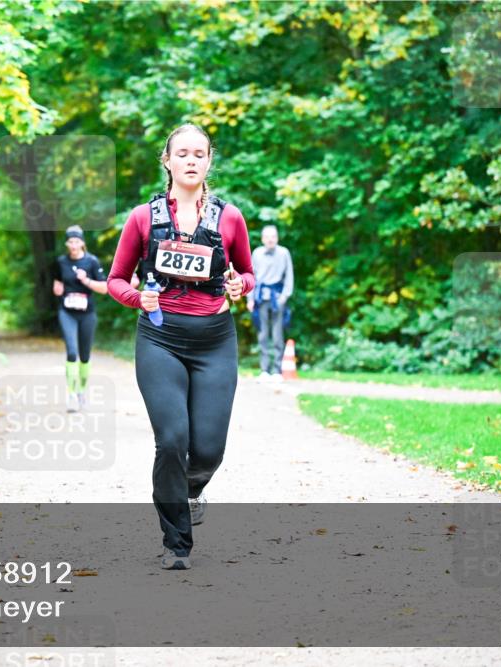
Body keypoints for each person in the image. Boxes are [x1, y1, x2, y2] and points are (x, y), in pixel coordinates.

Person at [107, 123, 254, 570]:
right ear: (167, 161)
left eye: (199, 154)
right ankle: (176, 544)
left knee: (208, 450)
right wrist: (138, 297)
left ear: (209, 162)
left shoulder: (230, 218)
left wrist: (240, 285)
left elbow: (248, 273)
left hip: (214, 340)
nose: (191, 160)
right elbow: (116, 280)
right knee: (172, 440)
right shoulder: (142, 217)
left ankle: (189, 490)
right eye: (182, 153)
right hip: (160, 338)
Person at [52, 225, 109, 412]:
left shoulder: (92, 261)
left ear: (82, 243)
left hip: (87, 313)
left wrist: (86, 280)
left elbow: (104, 288)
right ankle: (71, 395)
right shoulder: (61, 262)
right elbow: (57, 284)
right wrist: (57, 289)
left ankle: (81, 392)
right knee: (71, 352)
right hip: (67, 312)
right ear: (67, 244)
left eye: (77, 241)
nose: (74, 245)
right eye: (70, 242)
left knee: (84, 357)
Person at [247, 225, 294, 382]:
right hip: (260, 298)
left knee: (277, 335)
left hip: (277, 298)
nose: (270, 239)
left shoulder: (284, 253)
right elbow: (251, 275)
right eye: (267, 237)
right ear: (262, 239)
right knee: (262, 334)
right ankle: (264, 370)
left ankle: (277, 371)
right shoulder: (257, 253)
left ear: (277, 238)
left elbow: (289, 276)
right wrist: (250, 298)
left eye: (273, 236)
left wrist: (284, 297)